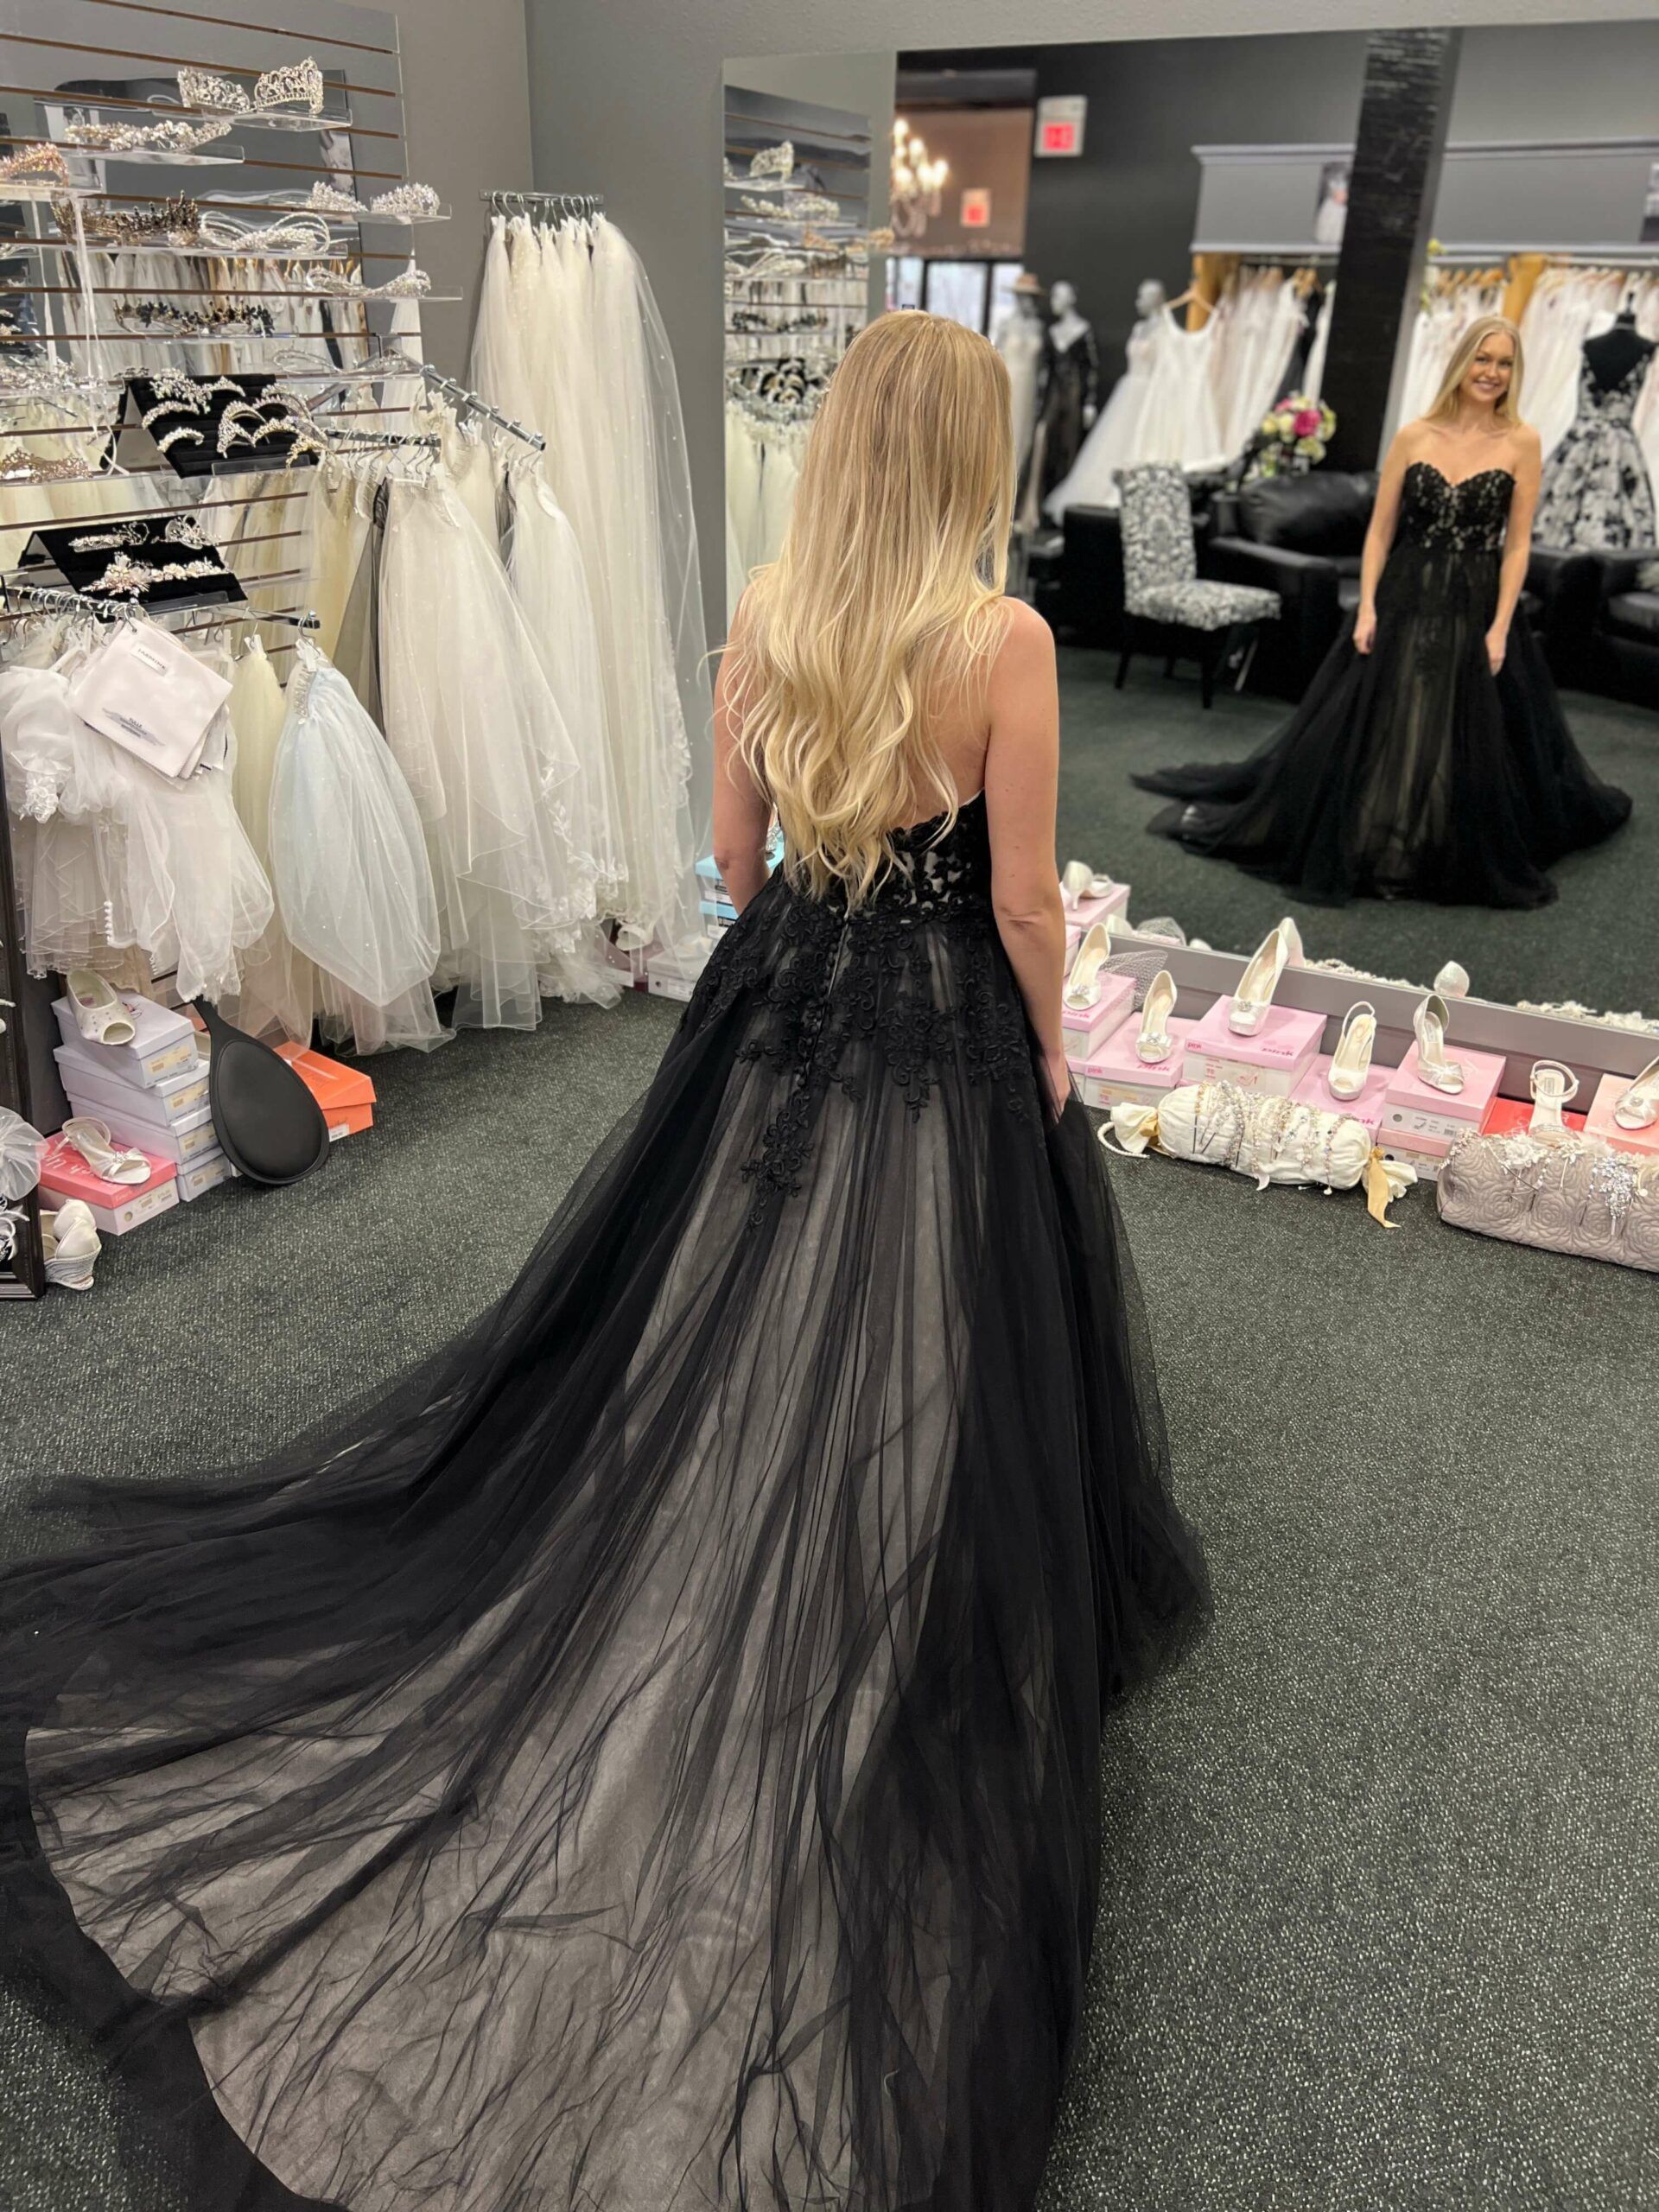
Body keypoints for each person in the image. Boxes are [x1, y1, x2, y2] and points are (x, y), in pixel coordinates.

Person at [0, 312, 1207, 2212]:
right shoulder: (1005, 641)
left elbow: (729, 851)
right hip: (943, 1020)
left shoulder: (773, 612)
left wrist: (811, 917)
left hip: (784, 1001)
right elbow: (1028, 900)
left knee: (729, 1287)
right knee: (928, 1309)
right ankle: (878, 1580)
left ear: (842, 447)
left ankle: (721, 1515)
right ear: (973, 456)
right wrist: (1054, 1049)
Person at [1133, 314, 1631, 906]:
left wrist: (1502, 626)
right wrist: (1367, 606)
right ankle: (1381, 834)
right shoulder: (1414, 435)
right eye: (1482, 358)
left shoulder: (1522, 441)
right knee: (1395, 713)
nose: (1492, 372)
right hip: (1404, 592)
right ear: (1462, 362)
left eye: (1504, 363)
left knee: (1462, 723)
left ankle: (1437, 838)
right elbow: (1379, 531)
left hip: (1476, 601)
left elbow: (1517, 545)